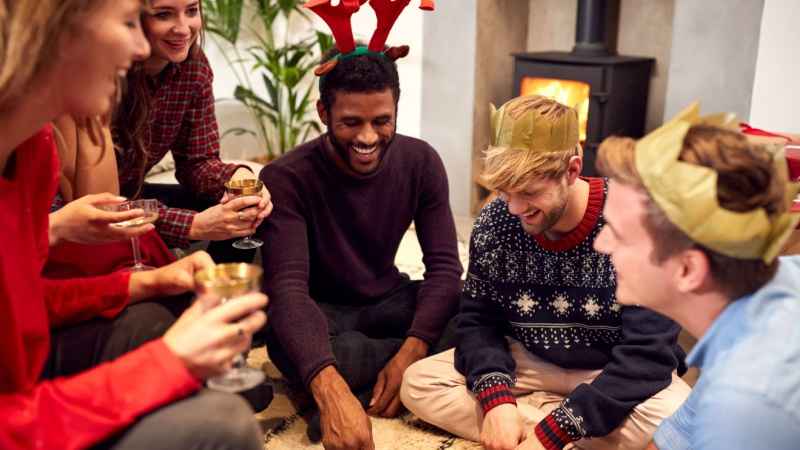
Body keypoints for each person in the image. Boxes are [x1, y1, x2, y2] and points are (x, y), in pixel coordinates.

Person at [0, 1, 268, 449]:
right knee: (224, 421)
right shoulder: (59, 137)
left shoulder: (32, 152)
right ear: (57, 32)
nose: (141, 43)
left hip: (28, 380)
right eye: (130, 22)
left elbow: (22, 299)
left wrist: (149, 283)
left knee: (155, 318)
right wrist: (167, 363)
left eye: (191, 11)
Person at [401, 96, 691, 450]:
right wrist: (496, 400)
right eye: (505, 192)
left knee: (683, 423)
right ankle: (558, 429)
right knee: (418, 384)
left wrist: (555, 431)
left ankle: (541, 428)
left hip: (610, 371)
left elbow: (649, 355)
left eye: (528, 192)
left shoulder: (638, 222)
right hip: (529, 362)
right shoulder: (496, 221)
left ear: (571, 170)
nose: (515, 208)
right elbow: (478, 322)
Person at [257, 5, 462, 447]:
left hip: (389, 299)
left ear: (396, 110)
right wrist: (328, 380)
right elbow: (289, 290)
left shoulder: (421, 161)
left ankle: (365, 383)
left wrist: (412, 349)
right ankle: (347, 387)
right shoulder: (284, 178)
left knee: (473, 311)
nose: (368, 137)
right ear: (323, 111)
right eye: (351, 122)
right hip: (322, 313)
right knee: (296, 342)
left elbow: (445, 268)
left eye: (381, 121)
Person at [593, 103, 800, 450]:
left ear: (688, 270)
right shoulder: (772, 286)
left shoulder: (744, 406)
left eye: (617, 233)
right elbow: (679, 438)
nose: (600, 244)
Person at [113, 0, 271, 260]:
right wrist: (193, 225)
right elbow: (100, 202)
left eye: (192, 11)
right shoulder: (104, 72)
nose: (184, 29)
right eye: (163, 14)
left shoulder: (193, 66)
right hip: (80, 207)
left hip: (133, 195)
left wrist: (237, 176)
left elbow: (196, 163)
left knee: (245, 207)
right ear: (132, 18)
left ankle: (221, 292)